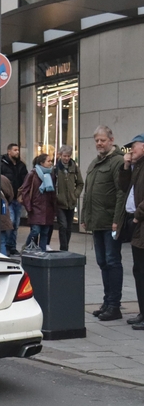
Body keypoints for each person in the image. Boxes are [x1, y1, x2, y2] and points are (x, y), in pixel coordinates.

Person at [81, 125, 125, 322]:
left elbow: (121, 193)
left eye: (103, 140)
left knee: (112, 261)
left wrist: (117, 220)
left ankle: (115, 305)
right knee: (102, 262)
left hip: (110, 223)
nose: (99, 143)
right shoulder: (94, 163)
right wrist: (84, 217)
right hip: (97, 222)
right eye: (97, 141)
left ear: (111, 140)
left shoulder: (117, 162)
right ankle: (107, 302)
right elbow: (88, 193)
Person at [119, 133, 144, 330]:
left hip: (141, 222)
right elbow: (124, 186)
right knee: (138, 270)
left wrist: (138, 214)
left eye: (133, 148)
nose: (130, 152)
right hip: (136, 225)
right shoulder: (137, 166)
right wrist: (126, 166)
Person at [20, 154, 58, 251]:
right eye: (48, 161)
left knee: (45, 232)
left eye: (51, 161)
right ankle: (27, 247)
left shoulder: (51, 175)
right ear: (41, 163)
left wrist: (54, 207)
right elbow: (25, 190)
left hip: (48, 208)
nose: (50, 163)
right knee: (35, 230)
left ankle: (42, 252)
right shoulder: (32, 174)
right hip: (35, 207)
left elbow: (53, 192)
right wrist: (28, 206)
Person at [54, 145, 85, 251]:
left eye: (68, 156)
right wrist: (56, 196)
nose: (66, 158)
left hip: (71, 202)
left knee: (69, 227)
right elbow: (51, 185)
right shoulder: (55, 168)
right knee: (63, 226)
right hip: (60, 202)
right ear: (60, 155)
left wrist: (75, 194)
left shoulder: (74, 167)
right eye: (64, 156)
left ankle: (65, 247)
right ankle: (63, 248)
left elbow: (80, 183)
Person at [1, 143, 28, 256]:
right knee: (10, 222)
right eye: (15, 150)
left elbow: (25, 180)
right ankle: (6, 245)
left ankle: (12, 247)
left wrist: (22, 194)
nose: (17, 152)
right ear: (9, 151)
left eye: (18, 150)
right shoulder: (2, 164)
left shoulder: (21, 165)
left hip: (18, 198)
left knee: (16, 224)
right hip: (7, 198)